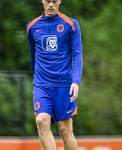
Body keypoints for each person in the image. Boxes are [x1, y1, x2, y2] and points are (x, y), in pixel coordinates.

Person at [26, 0, 83, 149]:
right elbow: (33, 57)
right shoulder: (32, 27)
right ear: (42, 1)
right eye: (47, 0)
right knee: (41, 121)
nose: (51, 4)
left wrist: (76, 81)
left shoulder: (71, 24)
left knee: (65, 131)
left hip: (64, 86)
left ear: (60, 1)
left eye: (54, 1)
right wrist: (35, 82)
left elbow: (77, 55)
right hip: (42, 85)